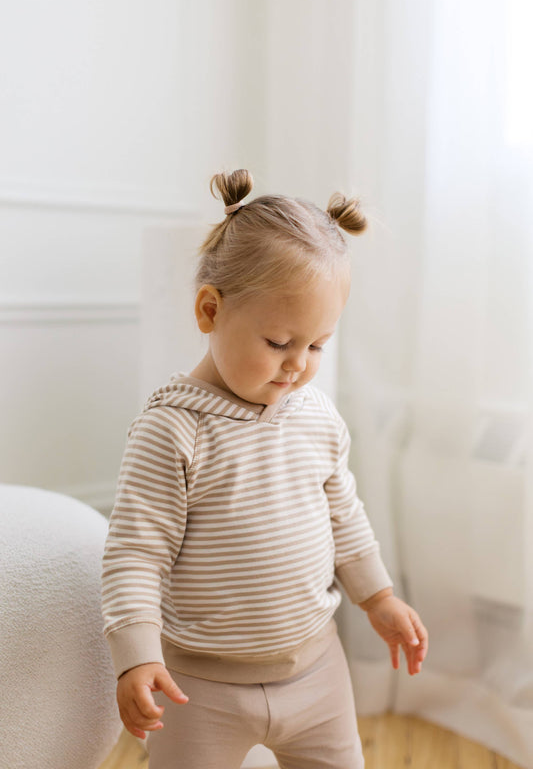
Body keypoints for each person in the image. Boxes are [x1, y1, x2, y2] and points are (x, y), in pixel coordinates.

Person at [101, 169, 428, 769]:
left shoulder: (317, 416)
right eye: (279, 342)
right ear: (209, 310)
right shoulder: (173, 429)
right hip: (200, 688)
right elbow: (136, 554)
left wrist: (378, 596)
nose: (298, 364)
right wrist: (137, 655)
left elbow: (344, 516)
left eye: (317, 345)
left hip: (316, 671)